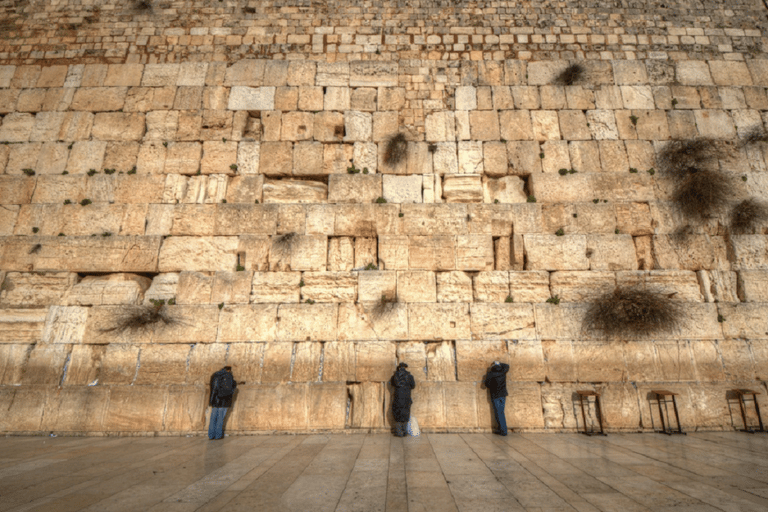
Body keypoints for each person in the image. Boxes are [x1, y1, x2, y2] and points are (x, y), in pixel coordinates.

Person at [208, 366, 237, 440]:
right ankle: (218, 435)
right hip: (224, 401)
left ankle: (211, 435)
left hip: (215, 400)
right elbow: (230, 388)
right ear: (229, 370)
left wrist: (212, 400)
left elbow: (213, 388)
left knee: (213, 418)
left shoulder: (214, 375)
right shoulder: (228, 375)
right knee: (220, 418)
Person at [484, 360, 510, 436]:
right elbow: (507, 366)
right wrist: (499, 363)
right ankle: (501, 429)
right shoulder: (503, 372)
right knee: (501, 412)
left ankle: (503, 431)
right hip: (503, 395)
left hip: (495, 396)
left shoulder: (490, 374)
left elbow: (487, 385)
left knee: (499, 413)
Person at [390, 362, 416, 437]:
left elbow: (392, 383)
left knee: (397, 413)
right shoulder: (409, 376)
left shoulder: (395, 376)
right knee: (405, 413)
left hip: (397, 397)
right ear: (405, 368)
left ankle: (399, 432)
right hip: (406, 397)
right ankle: (404, 432)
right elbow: (413, 386)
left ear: (399, 368)